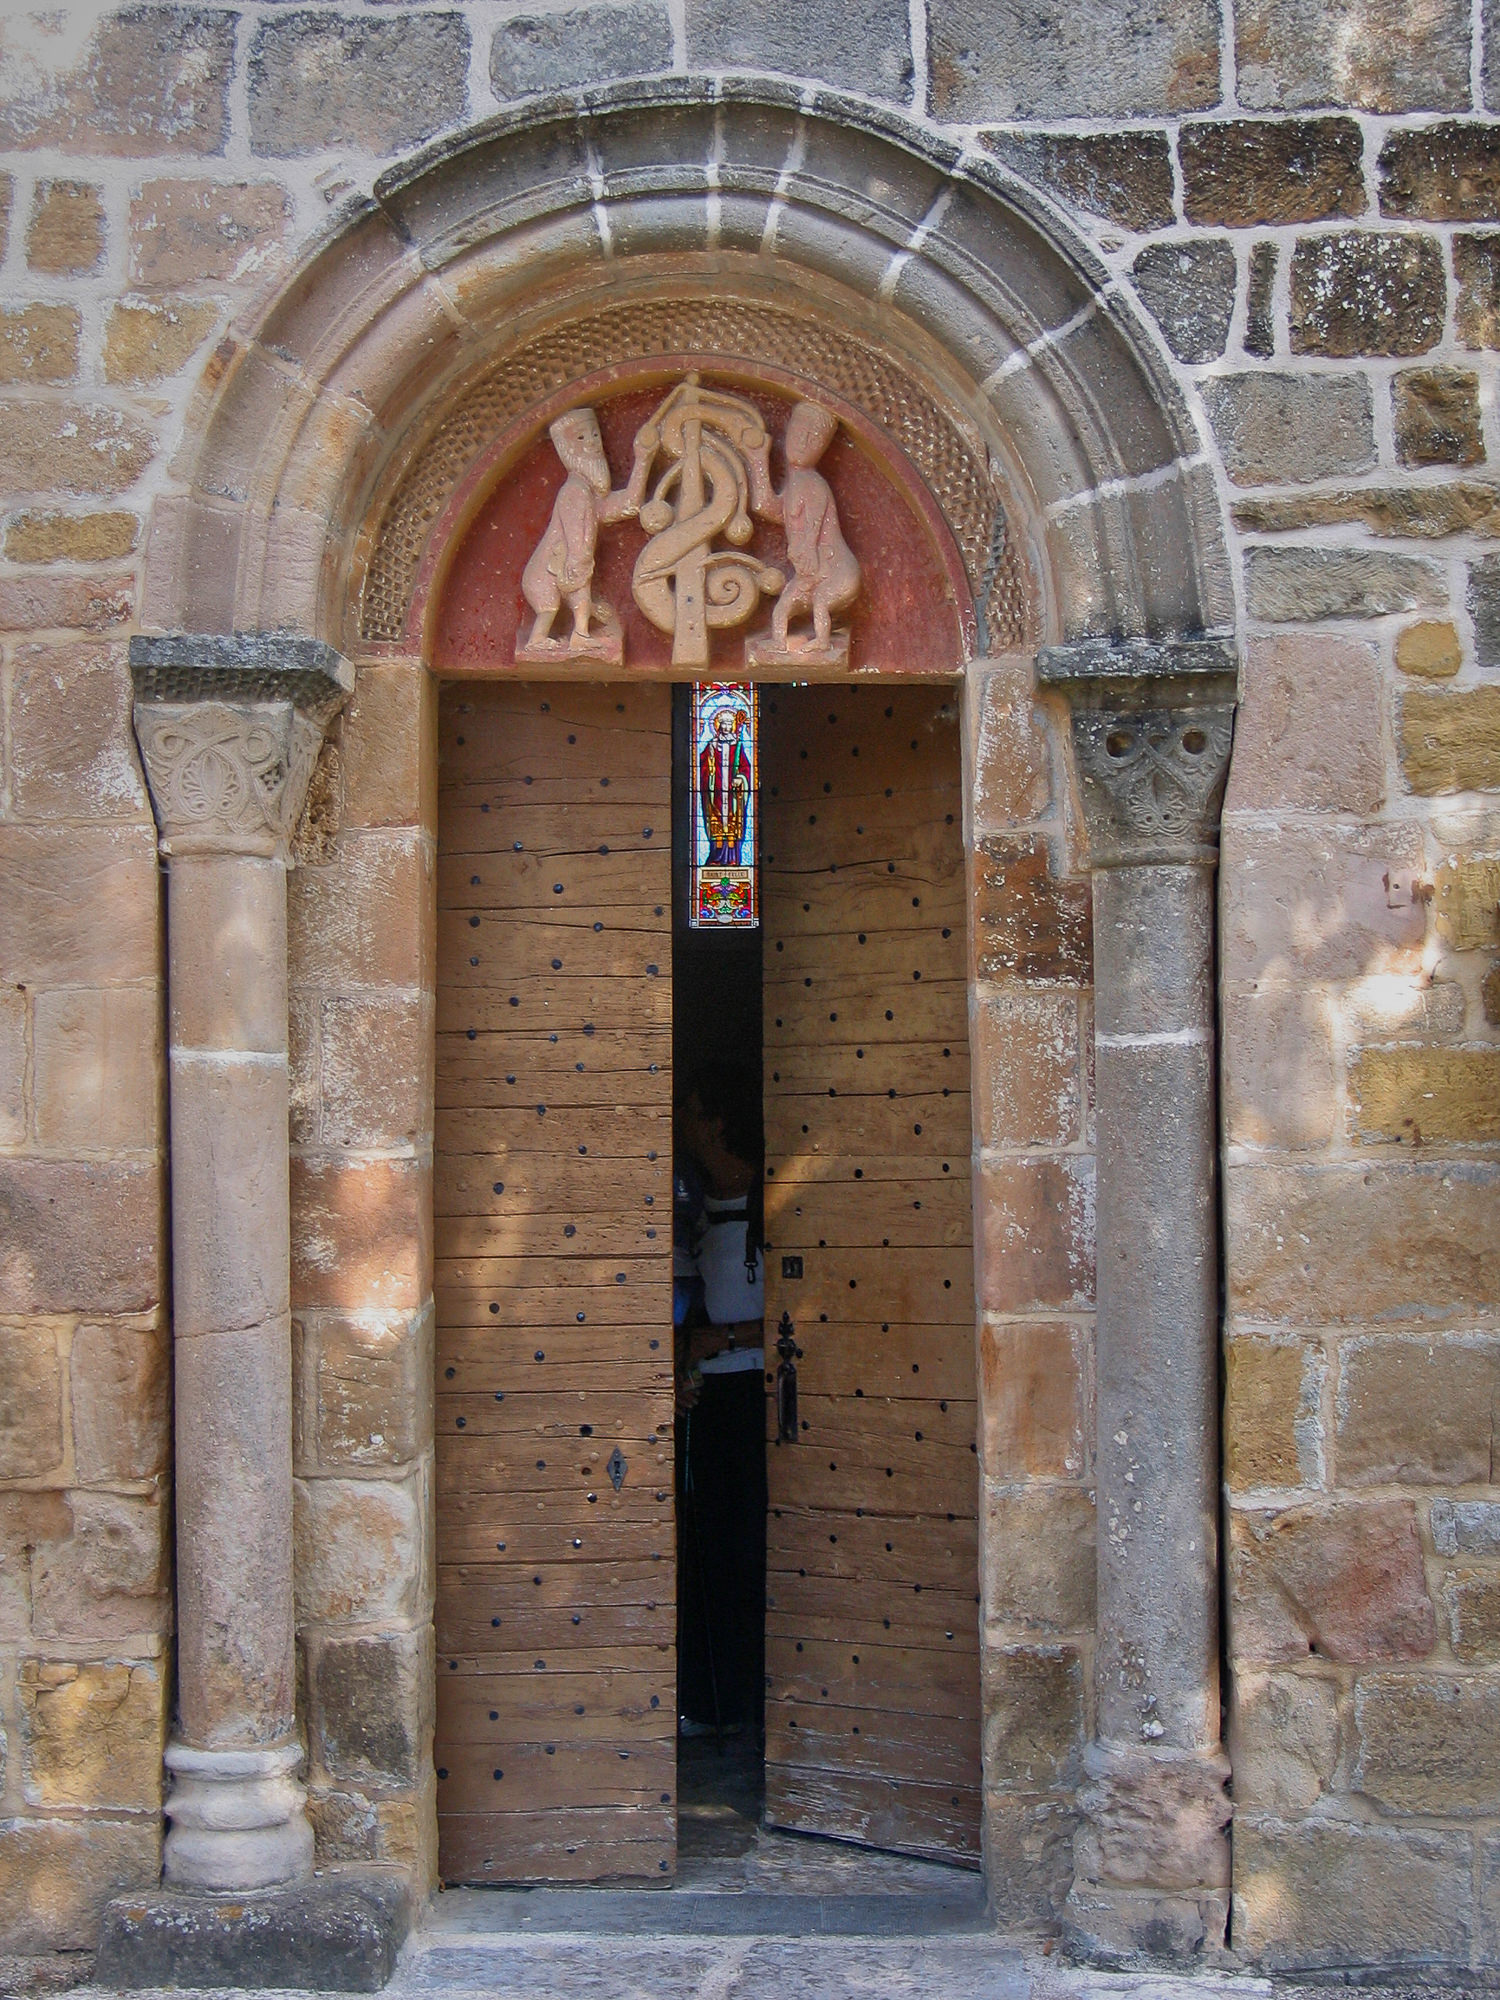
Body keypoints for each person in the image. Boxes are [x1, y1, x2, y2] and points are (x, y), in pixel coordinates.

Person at [672, 1062, 766, 1736]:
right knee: (711, 1550)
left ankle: (754, 1703)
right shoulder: (695, 1211)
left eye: (690, 1109)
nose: (679, 1121)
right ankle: (714, 1702)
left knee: (753, 1547)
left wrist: (725, 1338)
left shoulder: (774, 1204)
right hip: (710, 1399)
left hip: (761, 1399)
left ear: (716, 1124)